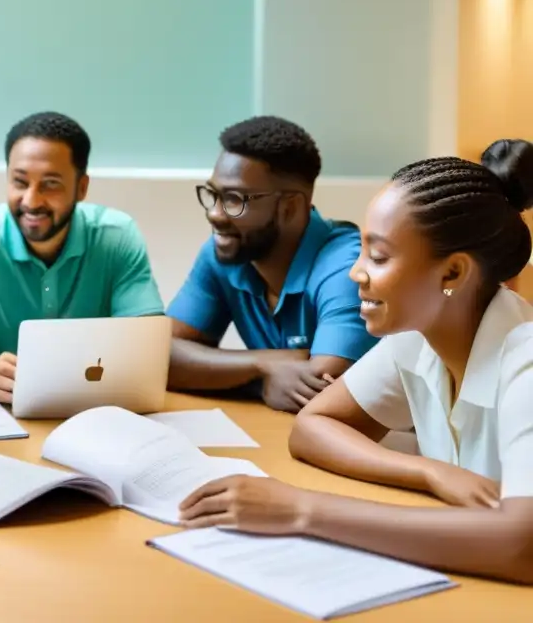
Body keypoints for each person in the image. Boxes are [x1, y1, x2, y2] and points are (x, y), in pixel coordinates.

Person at [177, 140, 533, 584]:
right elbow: (313, 426)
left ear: (452, 274)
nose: (356, 272)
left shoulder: (526, 363)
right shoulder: (420, 339)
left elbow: (523, 545)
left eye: (379, 256)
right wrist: (429, 471)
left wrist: (302, 509)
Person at [0, 111, 164, 402]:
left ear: (81, 188)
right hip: (0, 412)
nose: (31, 201)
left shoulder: (117, 238)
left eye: (50, 184)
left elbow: (149, 349)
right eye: (20, 182)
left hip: (97, 411)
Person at [167, 116, 378, 412]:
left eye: (234, 199)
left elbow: (323, 391)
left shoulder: (345, 268)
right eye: (213, 194)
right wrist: (264, 365)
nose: (215, 214)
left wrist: (222, 372)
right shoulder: (225, 252)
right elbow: (159, 355)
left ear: (289, 207)